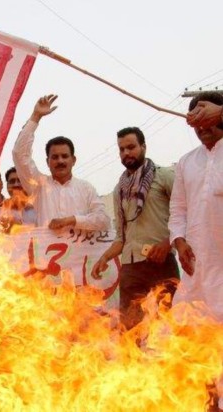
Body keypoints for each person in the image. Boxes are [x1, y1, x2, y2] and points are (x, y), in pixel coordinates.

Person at [90, 127, 179, 329]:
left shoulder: (164, 176)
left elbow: (185, 215)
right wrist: (104, 258)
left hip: (161, 264)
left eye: (131, 147)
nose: (126, 153)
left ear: (143, 147)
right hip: (130, 269)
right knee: (130, 330)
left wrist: (168, 243)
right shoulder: (119, 190)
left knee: (165, 329)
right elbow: (121, 238)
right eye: (121, 149)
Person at [171, 91, 223, 412]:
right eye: (196, 124)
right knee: (196, 337)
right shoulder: (186, 162)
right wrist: (178, 240)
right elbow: (178, 209)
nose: (203, 129)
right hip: (197, 268)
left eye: (209, 120)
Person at [12, 94, 110, 231]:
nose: (60, 161)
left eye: (64, 156)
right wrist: (35, 117)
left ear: (73, 160)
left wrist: (72, 220)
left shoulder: (86, 189)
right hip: (44, 246)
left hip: (79, 246)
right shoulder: (38, 185)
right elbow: (19, 153)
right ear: (48, 162)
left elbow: (103, 220)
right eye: (55, 157)